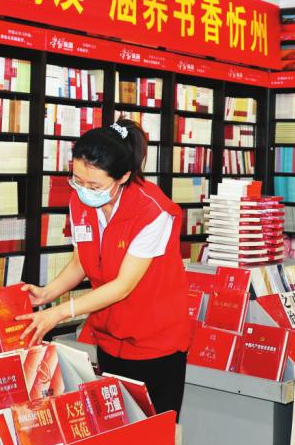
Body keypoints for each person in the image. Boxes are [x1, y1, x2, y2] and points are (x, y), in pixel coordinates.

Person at [17, 118, 191, 418]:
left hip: (155, 342)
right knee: (114, 426)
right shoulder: (79, 201)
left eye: (94, 185)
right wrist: (47, 294)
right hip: (109, 337)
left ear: (123, 176)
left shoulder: (153, 212)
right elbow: (82, 261)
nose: (84, 190)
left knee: (151, 432)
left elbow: (123, 285)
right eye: (77, 180)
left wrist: (59, 313)